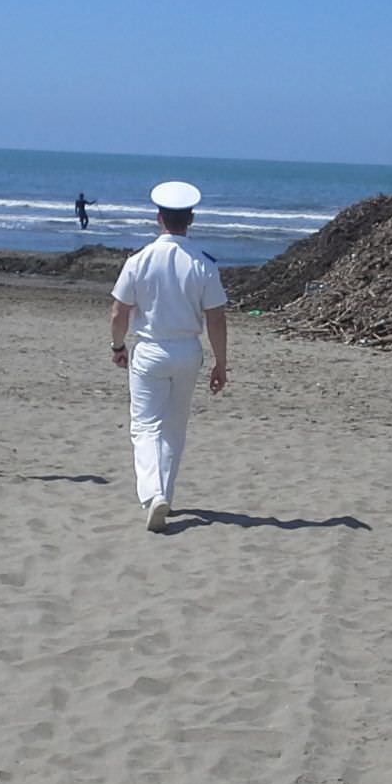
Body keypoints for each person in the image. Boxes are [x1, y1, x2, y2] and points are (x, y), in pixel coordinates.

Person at [109, 181, 228, 531]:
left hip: (150, 348)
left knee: (145, 425)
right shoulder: (203, 263)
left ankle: (153, 493)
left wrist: (117, 346)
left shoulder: (139, 260)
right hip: (187, 349)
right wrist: (221, 362)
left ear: (158, 218)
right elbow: (216, 318)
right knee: (174, 427)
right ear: (190, 218)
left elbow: (119, 312)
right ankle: (165, 494)